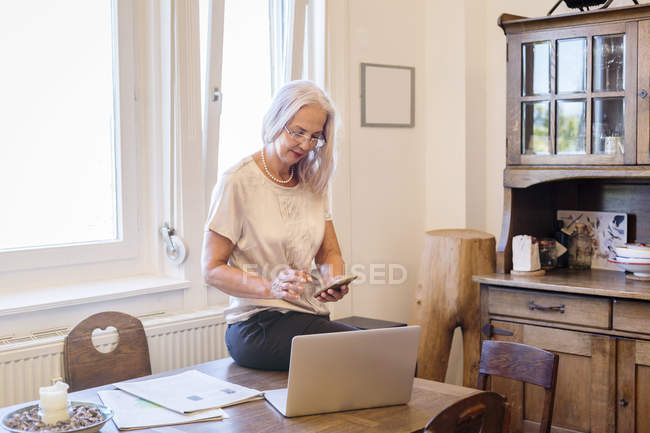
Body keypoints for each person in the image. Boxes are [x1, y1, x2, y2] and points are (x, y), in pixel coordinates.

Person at [201, 80, 357, 371]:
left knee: (389, 354)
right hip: (257, 324)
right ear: (276, 120)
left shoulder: (313, 181)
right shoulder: (238, 181)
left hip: (308, 317)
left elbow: (329, 254)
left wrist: (332, 281)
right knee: (374, 355)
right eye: (297, 132)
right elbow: (211, 269)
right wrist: (271, 287)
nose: (306, 145)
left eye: (315, 136)